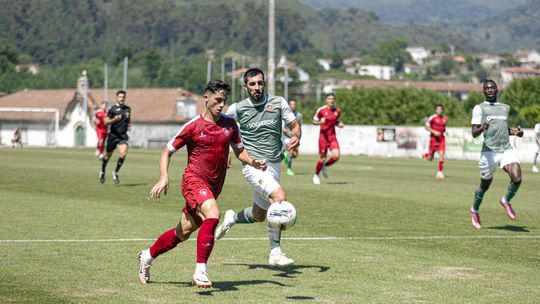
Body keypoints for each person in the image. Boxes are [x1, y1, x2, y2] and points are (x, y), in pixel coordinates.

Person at [137, 80, 266, 287]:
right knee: (214, 214)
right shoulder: (193, 126)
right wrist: (164, 176)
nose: (221, 105)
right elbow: (167, 151)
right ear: (206, 98)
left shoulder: (229, 124)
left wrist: (254, 162)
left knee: (182, 233)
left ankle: (147, 256)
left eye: (224, 101)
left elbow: (240, 151)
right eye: (217, 100)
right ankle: (200, 272)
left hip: (213, 187)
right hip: (193, 181)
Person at [214, 68, 301, 266]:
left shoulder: (278, 102)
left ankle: (232, 218)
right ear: (245, 87)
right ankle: (275, 253)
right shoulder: (237, 108)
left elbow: (295, 125)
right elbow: (222, 130)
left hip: (274, 164)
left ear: (264, 83)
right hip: (252, 165)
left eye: (259, 83)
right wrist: (226, 152)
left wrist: (296, 136)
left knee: (259, 215)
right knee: (279, 199)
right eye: (252, 84)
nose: (256, 87)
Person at [469, 80, 523, 229]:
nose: (490, 90)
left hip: (505, 149)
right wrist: (482, 127)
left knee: (517, 178)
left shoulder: (505, 108)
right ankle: (474, 210)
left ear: (497, 90)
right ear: (484, 91)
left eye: (492, 87)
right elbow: (474, 133)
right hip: (489, 152)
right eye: (487, 88)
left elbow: (504, 129)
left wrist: (516, 132)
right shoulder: (479, 108)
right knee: (484, 186)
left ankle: (505, 200)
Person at [99, 90, 131, 184]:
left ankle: (115, 172)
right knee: (107, 156)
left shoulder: (127, 109)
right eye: (120, 97)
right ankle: (102, 171)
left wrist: (129, 125)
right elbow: (106, 121)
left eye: (123, 97)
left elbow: (128, 119)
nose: (122, 98)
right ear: (117, 98)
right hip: (113, 136)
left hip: (123, 136)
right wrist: (114, 120)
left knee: (123, 153)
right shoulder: (112, 109)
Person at [312, 93, 344, 185]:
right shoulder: (321, 110)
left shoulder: (337, 111)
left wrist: (339, 124)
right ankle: (316, 175)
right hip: (323, 137)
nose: (331, 100)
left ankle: (324, 166)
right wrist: (319, 122)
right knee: (322, 158)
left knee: (336, 156)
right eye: (329, 98)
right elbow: (314, 121)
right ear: (326, 100)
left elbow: (336, 121)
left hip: (333, 137)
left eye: (333, 98)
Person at [422, 104, 448, 179]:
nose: (439, 111)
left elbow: (443, 129)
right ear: (436, 110)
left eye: (441, 109)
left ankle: (440, 172)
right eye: (438, 109)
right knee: (430, 158)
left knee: (442, 155)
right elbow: (426, 127)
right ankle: (425, 155)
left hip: (441, 139)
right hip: (433, 139)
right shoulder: (432, 118)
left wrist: (445, 132)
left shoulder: (445, 119)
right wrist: (434, 132)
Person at [282, 99, 303, 176]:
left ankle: (285, 155)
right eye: (291, 104)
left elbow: (299, 127)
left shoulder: (299, 115)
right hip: (286, 137)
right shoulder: (285, 114)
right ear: (289, 105)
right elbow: (282, 128)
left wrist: (298, 137)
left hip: (295, 137)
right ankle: (289, 169)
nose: (293, 106)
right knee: (290, 152)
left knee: (295, 154)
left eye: (294, 104)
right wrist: (288, 132)